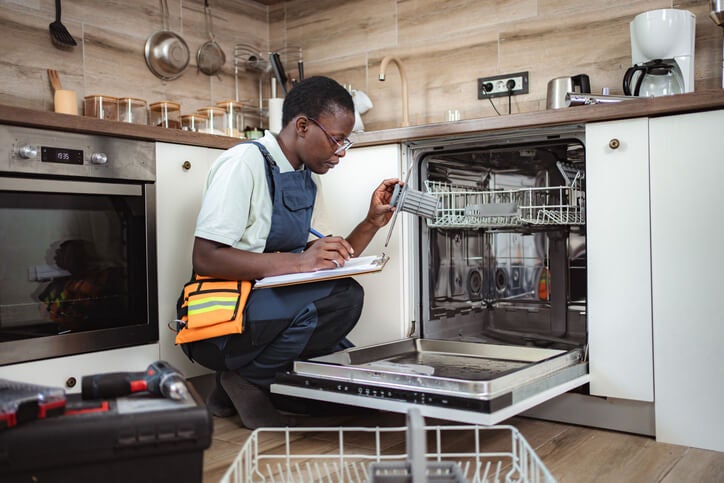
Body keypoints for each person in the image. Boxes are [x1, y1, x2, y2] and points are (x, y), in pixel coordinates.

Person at [181, 76, 400, 428]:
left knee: (340, 362)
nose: (340, 153)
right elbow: (205, 257)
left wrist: (371, 222)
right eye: (337, 140)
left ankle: (233, 390)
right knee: (344, 299)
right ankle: (246, 380)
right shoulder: (244, 162)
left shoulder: (306, 178)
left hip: (265, 310)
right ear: (302, 126)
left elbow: (328, 258)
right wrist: (300, 260)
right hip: (220, 320)